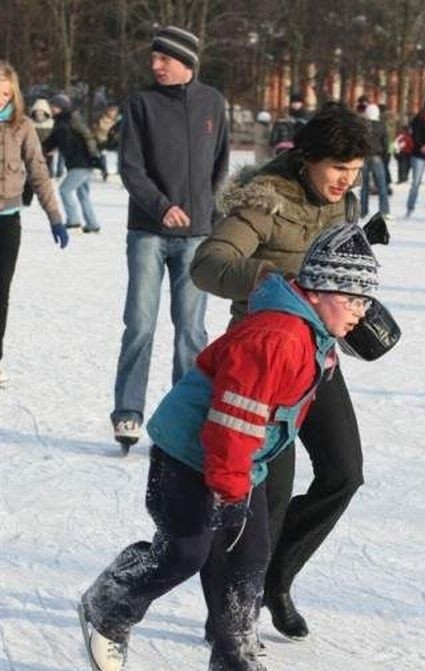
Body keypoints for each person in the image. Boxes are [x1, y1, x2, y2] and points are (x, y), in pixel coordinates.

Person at [78, 221, 380, 671]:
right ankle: (110, 603)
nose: (361, 314)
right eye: (353, 300)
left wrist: (339, 336)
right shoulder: (277, 339)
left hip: (238, 463)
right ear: (319, 291)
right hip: (189, 456)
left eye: (367, 302)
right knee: (185, 551)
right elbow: (231, 424)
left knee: (249, 557)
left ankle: (235, 662)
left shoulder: (312, 334)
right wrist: (232, 489)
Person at [191, 103, 372, 640]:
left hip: (318, 359)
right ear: (309, 157)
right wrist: (283, 279)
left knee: (344, 473)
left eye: (356, 170)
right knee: (268, 491)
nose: (346, 180)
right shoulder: (265, 199)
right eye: (338, 167)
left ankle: (275, 579)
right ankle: (231, 607)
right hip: (266, 357)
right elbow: (208, 264)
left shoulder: (346, 206)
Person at [110, 25, 229, 449]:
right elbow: (130, 167)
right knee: (140, 323)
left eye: (164, 58)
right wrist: (161, 205)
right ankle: (127, 413)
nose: (155, 65)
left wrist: (209, 213)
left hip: (196, 235)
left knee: (191, 330)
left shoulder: (213, 102)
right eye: (154, 57)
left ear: (186, 62)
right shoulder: (140, 103)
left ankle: (184, 418)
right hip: (148, 230)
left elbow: (220, 164)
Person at [0, 61, 69, 386]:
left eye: (5, 93)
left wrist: (55, 217)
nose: (1, 99)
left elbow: (39, 173)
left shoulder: (23, 126)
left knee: (0, 293)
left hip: (7, 223)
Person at [44, 93, 104, 233]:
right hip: (81, 163)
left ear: (62, 107)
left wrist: (94, 156)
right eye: (51, 106)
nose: (52, 109)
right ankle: (92, 224)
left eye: (55, 107)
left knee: (65, 190)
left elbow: (82, 137)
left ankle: (73, 221)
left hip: (81, 163)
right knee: (83, 194)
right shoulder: (63, 121)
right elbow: (55, 140)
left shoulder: (67, 121)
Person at [360, 103, 391, 219]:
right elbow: (385, 143)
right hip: (377, 157)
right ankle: (384, 210)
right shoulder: (381, 126)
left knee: (364, 185)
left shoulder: (363, 125)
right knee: (382, 185)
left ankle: (363, 210)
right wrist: (386, 157)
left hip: (364, 156)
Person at [269, 91, 310, 156]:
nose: (295, 104)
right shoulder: (286, 113)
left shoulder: (305, 115)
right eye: (294, 102)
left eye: (298, 102)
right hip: (285, 145)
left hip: (299, 145)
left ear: (301, 103)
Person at [92, 103, 121, 180]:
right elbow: (96, 129)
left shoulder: (118, 120)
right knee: (103, 156)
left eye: (115, 111)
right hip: (102, 140)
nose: (113, 113)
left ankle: (119, 169)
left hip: (113, 142)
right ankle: (104, 170)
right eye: (111, 111)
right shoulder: (101, 119)